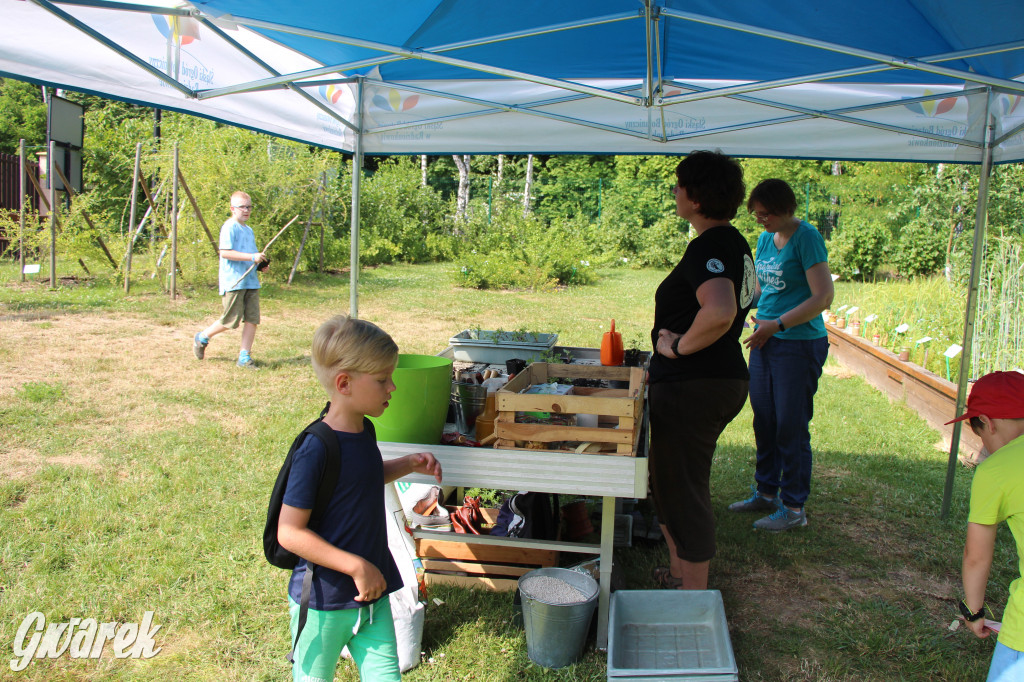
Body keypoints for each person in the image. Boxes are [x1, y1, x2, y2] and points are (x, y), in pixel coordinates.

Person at [277, 315, 443, 682]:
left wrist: (409, 463)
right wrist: (356, 566)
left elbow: (361, 479)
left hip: (373, 595)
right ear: (344, 383)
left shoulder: (364, 429)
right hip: (324, 602)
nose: (393, 387)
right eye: (383, 380)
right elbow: (289, 533)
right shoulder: (316, 449)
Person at [648, 151, 756, 590]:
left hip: (695, 384)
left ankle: (692, 596)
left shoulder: (709, 245)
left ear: (695, 196)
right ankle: (679, 575)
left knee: (683, 487)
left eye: (679, 185)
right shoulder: (733, 242)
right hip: (714, 379)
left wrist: (676, 347)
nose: (674, 191)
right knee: (669, 479)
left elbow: (721, 311)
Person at [729, 178, 834, 532]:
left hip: (799, 343)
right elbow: (760, 288)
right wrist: (736, 306)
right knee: (765, 420)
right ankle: (766, 491)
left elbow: (822, 297)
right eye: (756, 214)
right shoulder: (764, 239)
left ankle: (793, 507)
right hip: (766, 341)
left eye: (766, 213)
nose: (761, 220)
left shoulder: (807, 238)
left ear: (786, 208)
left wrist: (779, 324)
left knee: (791, 425)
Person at [955, 371, 1024, 682]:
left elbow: (976, 556)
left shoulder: (996, 470)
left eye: (981, 436)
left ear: (988, 421)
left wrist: (974, 611)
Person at [192, 191, 267, 369]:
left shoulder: (249, 230)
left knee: (252, 319)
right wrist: (251, 257)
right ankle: (202, 337)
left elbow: (251, 255)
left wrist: (260, 265)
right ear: (233, 208)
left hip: (251, 281)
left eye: (249, 207)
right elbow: (225, 252)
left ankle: (244, 357)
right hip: (235, 282)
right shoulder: (229, 227)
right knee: (230, 320)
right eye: (243, 207)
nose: (247, 210)